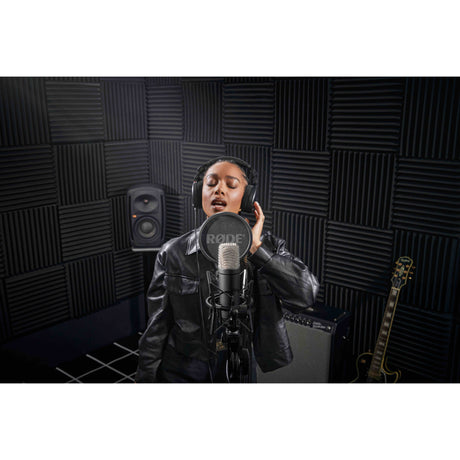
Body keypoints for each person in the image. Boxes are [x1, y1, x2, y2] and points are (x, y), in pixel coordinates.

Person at [135, 157, 319, 383]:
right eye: (211, 183)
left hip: (238, 367)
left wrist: (256, 250)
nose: (219, 190)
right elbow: (156, 327)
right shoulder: (173, 252)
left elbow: (305, 295)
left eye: (231, 185)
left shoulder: (268, 247)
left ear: (247, 198)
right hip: (182, 368)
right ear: (198, 194)